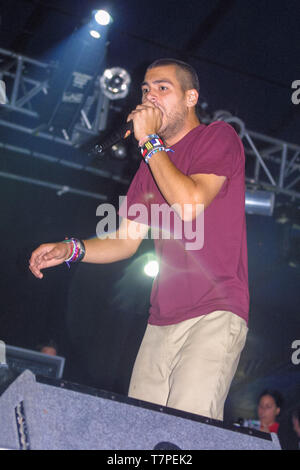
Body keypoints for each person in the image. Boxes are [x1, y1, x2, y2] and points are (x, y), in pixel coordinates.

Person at [29, 58, 249, 421]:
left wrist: (148, 141)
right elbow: (125, 241)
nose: (150, 97)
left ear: (191, 97)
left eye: (163, 88)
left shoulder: (217, 137)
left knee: (187, 432)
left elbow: (191, 204)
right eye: (146, 89)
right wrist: (72, 249)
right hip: (161, 319)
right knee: (141, 430)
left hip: (215, 310)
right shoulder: (151, 166)